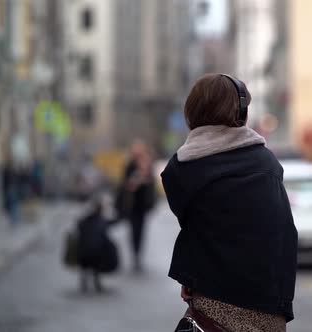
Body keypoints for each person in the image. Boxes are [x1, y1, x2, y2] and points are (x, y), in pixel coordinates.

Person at [161, 73, 298, 331]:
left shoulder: (181, 168)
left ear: (193, 113)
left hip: (213, 301)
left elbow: (191, 223)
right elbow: (282, 233)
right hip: (270, 304)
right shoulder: (266, 163)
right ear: (242, 111)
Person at [118, 139, 156, 272]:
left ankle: (138, 255)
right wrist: (137, 179)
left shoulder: (147, 164)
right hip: (132, 204)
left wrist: (145, 175)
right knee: (133, 230)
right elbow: (126, 184)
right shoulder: (130, 165)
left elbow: (152, 184)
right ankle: (135, 255)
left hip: (143, 204)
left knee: (141, 231)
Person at [76, 193, 119, 293]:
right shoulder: (102, 221)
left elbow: (78, 227)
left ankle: (84, 280)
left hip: (83, 255)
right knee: (101, 249)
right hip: (96, 255)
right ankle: (97, 281)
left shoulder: (84, 221)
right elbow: (116, 221)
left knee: (89, 250)